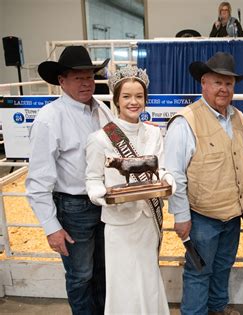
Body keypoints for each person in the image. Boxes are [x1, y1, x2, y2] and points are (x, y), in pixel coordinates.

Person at [26, 45, 114, 314]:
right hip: (73, 207)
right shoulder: (49, 119)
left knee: (103, 271)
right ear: (61, 81)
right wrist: (52, 227)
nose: (86, 83)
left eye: (89, 76)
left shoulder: (102, 109)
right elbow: (38, 180)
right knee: (81, 275)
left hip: (105, 203)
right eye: (78, 77)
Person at [164, 52, 243, 315]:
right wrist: (181, 216)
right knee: (198, 272)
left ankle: (217, 309)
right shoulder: (185, 121)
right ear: (203, 83)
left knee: (223, 268)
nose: (224, 89)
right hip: (201, 218)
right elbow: (174, 173)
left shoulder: (239, 118)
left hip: (232, 216)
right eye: (217, 82)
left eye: (229, 83)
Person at [85, 66, 175, 314]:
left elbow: (161, 167)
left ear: (145, 99)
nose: (133, 102)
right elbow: (92, 179)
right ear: (116, 99)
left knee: (147, 278)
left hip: (147, 220)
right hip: (119, 224)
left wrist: (169, 179)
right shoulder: (100, 138)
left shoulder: (154, 133)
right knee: (123, 283)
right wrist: (102, 195)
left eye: (139, 96)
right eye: (126, 96)